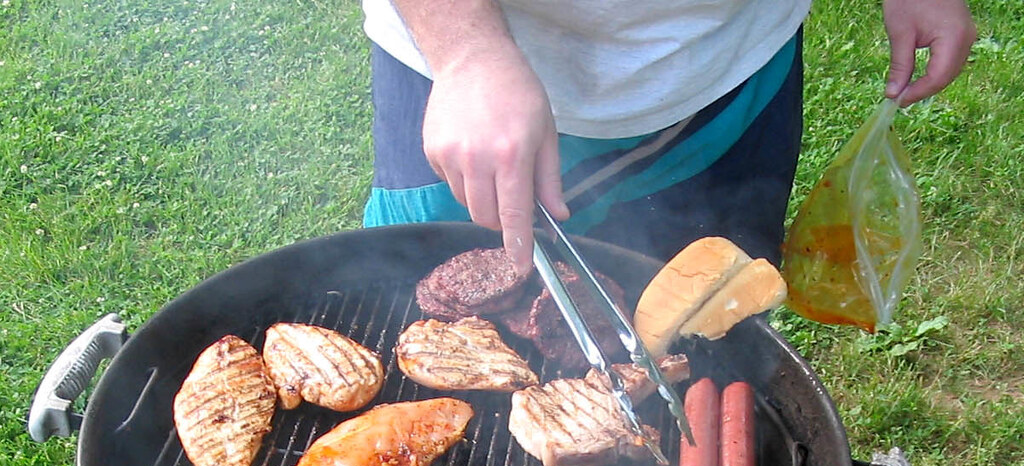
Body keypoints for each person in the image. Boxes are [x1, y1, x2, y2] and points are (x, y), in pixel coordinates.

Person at [360, 0, 976, 272]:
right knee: (425, 309)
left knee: (712, 334)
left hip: (723, 69)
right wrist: (466, 49)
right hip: (468, 87)